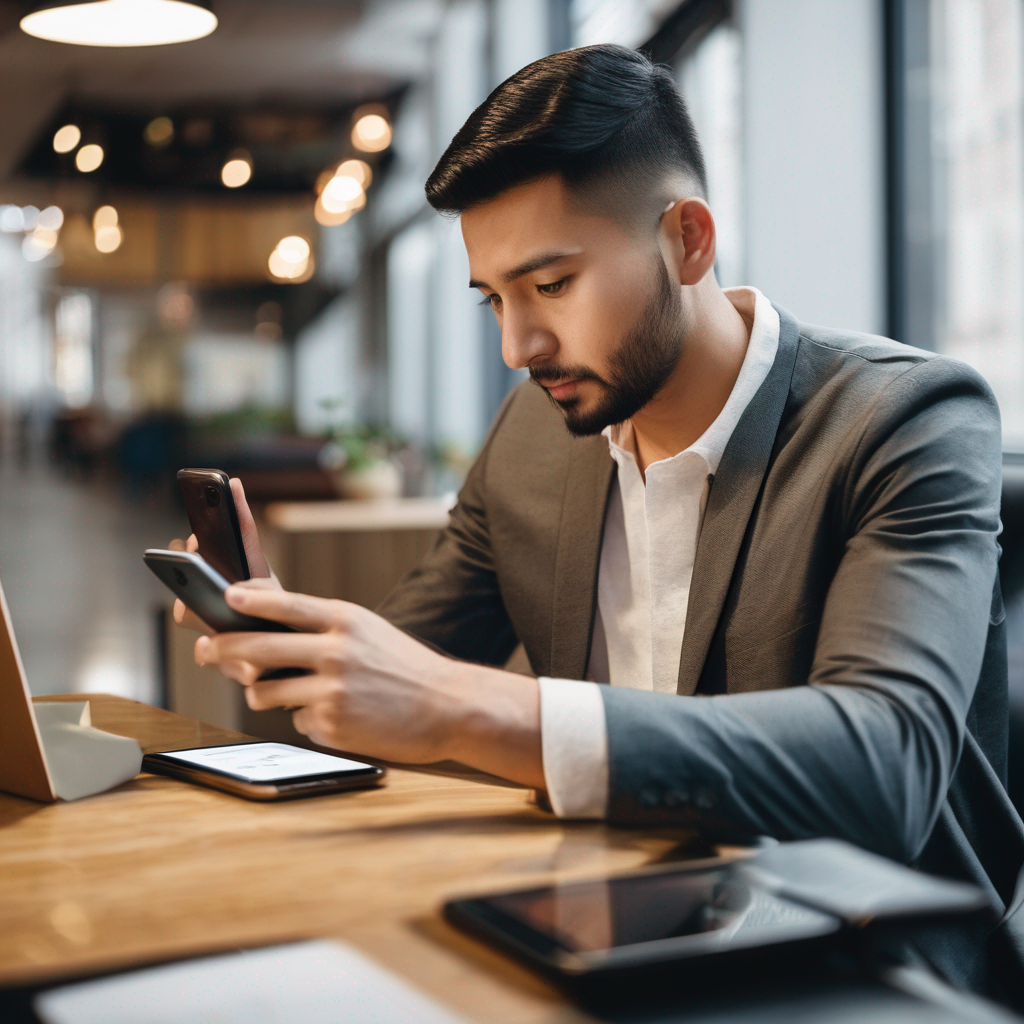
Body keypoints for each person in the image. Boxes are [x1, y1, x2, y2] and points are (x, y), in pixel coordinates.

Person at [173, 45, 1024, 1004]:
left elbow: (886, 762)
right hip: (616, 926)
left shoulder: (908, 421)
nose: (516, 347)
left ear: (689, 240)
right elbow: (412, 659)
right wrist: (294, 638)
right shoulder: (537, 436)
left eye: (551, 286)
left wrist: (472, 706)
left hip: (866, 963)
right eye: (495, 299)